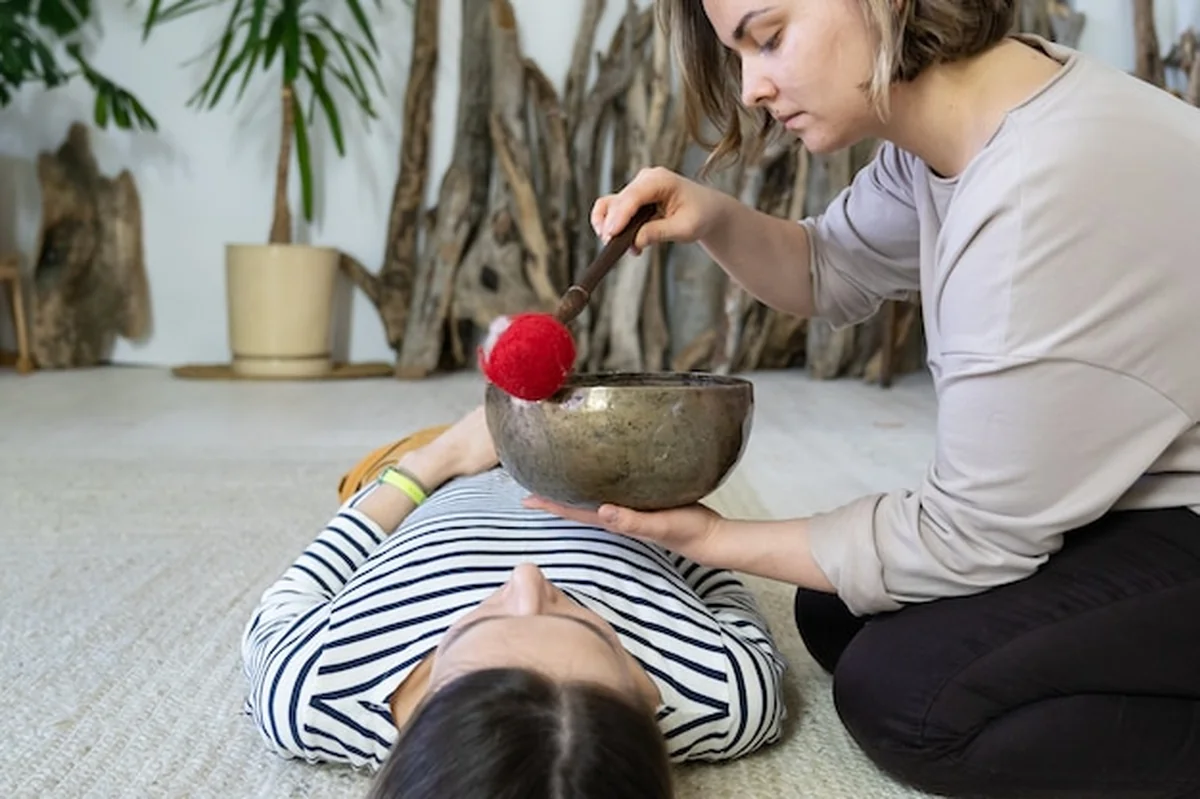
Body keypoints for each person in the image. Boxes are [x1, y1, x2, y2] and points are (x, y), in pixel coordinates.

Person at [526, 1, 1200, 797]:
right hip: (1145, 491)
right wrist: (709, 217)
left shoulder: (1038, 194)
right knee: (835, 608)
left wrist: (712, 536)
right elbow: (826, 267)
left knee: (908, 698)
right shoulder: (968, 114)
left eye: (768, 38)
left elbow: (969, 535)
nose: (751, 88)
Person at [239, 407, 787, 798]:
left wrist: (438, 459)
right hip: (604, 476)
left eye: (473, 625)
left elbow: (313, 575)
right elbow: (714, 571)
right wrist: (653, 508)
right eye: (592, 626)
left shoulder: (313, 686)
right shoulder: (727, 690)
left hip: (425, 480)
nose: (527, 578)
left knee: (378, 466)